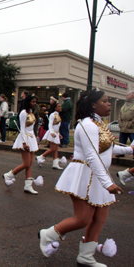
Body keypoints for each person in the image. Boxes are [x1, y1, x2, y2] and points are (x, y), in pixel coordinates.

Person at [38, 89, 131, 266]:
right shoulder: (87, 124)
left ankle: (86, 257)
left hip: (98, 174)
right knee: (83, 219)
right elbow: (92, 155)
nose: (109, 104)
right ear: (93, 105)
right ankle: (48, 234)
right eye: (105, 101)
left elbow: (108, 148)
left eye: (109, 101)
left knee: (99, 219)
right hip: (85, 174)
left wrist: (130, 150)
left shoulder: (99, 124)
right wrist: (107, 183)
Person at [3, 94, 42, 194]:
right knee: (26, 163)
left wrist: (36, 138)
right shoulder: (23, 113)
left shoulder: (31, 112)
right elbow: (22, 128)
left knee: (30, 164)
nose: (34, 104)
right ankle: (10, 174)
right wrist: (24, 143)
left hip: (32, 138)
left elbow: (32, 128)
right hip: (25, 138)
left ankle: (28, 186)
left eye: (35, 102)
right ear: (28, 102)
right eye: (33, 102)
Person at [36, 103, 64, 169]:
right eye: (59, 106)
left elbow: (57, 126)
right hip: (52, 133)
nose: (60, 107)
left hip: (56, 133)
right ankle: (41, 156)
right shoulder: (52, 115)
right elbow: (50, 124)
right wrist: (51, 132)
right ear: (55, 108)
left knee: (56, 149)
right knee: (53, 148)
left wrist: (59, 133)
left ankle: (55, 164)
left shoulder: (58, 115)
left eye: (60, 106)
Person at [116, 91, 134, 157]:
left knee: (133, 141)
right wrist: (120, 122)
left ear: (133, 96)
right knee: (122, 141)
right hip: (123, 127)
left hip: (131, 128)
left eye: (128, 95)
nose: (126, 96)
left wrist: (131, 123)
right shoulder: (125, 104)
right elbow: (120, 114)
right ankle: (121, 153)